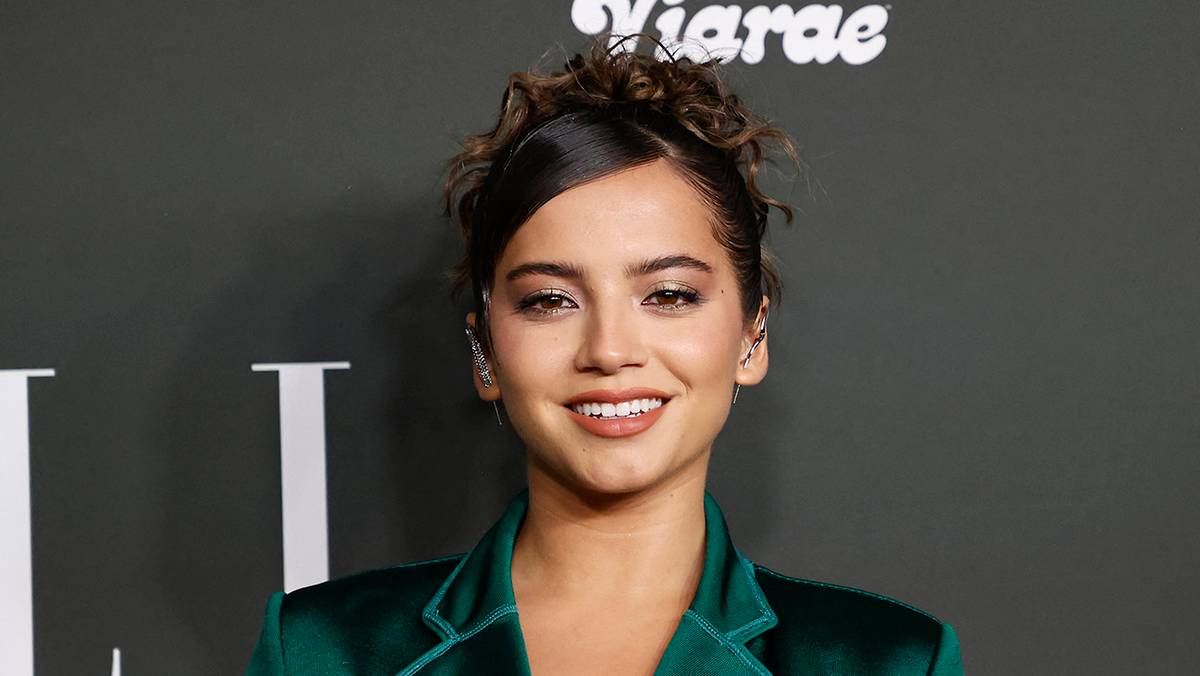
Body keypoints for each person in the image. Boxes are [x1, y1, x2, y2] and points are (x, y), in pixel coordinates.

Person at [246, 34, 963, 676]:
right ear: (484, 349)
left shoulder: (888, 663)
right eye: (551, 300)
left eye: (670, 295)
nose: (609, 350)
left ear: (753, 335)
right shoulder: (320, 653)